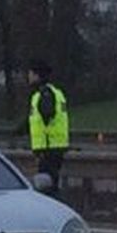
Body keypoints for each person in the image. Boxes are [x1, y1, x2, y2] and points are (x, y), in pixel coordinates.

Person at [26, 60, 70, 197]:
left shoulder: (45, 94)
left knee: (46, 187)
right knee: (50, 184)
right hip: (55, 146)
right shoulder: (55, 92)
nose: (29, 77)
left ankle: (54, 212)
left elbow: (47, 113)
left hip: (48, 147)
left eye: (31, 74)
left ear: (37, 76)